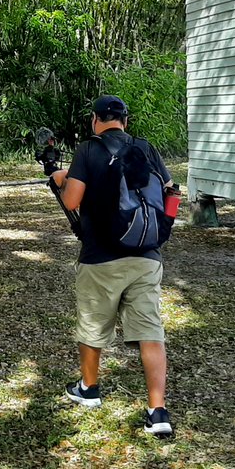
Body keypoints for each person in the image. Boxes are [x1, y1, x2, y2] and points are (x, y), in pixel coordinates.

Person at [49, 94, 176, 438]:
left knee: (93, 325)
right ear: (125, 121)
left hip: (100, 257)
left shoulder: (89, 150)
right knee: (150, 331)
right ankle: (157, 411)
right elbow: (169, 193)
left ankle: (89, 389)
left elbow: (72, 200)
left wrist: (60, 178)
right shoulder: (145, 148)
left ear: (95, 120)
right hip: (146, 255)